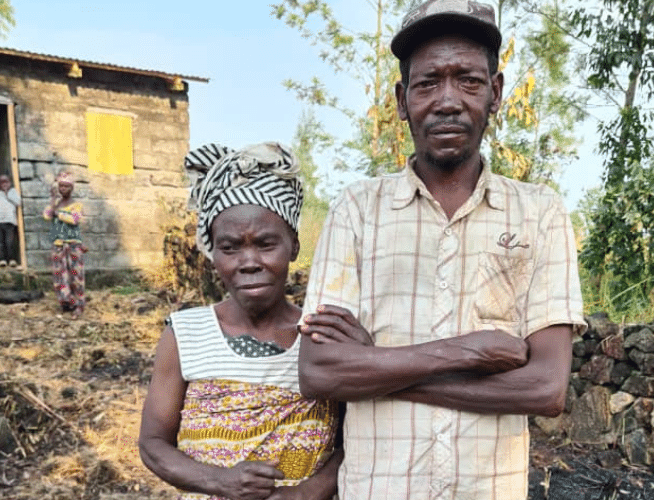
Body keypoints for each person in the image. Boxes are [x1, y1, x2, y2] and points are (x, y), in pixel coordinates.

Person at [298, 1, 587, 499]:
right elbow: (319, 370)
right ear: (401, 99)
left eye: (469, 81)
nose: (448, 100)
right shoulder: (357, 210)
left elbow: (545, 388)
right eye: (427, 82)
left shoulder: (540, 212)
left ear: (495, 93)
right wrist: (468, 350)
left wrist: (376, 366)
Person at [138, 142, 342, 500]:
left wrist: (304, 494)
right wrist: (220, 481)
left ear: (293, 246)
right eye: (230, 247)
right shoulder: (185, 335)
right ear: (211, 253)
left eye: (265, 244)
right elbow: (153, 444)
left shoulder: (323, 333)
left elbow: (352, 440)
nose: (249, 262)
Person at [43, 172, 85, 319]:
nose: (63, 189)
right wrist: (53, 200)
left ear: (72, 188)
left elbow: (75, 220)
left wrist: (58, 214)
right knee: (60, 275)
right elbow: (47, 215)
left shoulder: (77, 205)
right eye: (61, 186)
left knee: (75, 275)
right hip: (58, 244)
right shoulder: (56, 203)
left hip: (73, 244)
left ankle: (79, 305)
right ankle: (66, 303)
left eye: (66, 186)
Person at [0, 174, 22, 267]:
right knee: (0, 242)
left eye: (6, 182)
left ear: (10, 183)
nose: (4, 184)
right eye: (2, 182)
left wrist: (7, 193)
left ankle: (11, 259)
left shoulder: (13, 192)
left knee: (10, 242)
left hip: (10, 221)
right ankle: (2, 260)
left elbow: (18, 202)